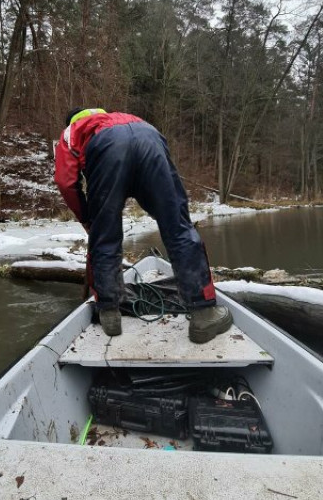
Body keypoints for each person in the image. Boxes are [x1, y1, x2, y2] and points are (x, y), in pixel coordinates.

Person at [54, 108, 232, 343]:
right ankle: (203, 313)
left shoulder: (72, 131)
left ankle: (110, 314)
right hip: (150, 138)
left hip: (108, 150)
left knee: (105, 237)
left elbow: (65, 182)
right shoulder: (123, 116)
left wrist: (88, 219)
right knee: (178, 228)